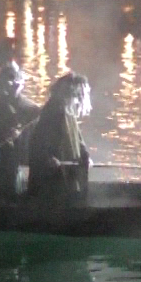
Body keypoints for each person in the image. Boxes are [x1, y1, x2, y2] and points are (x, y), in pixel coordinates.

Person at [27, 72, 91, 202]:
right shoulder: (52, 112)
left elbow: (78, 141)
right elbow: (37, 143)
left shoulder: (69, 114)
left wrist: (85, 156)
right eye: (77, 96)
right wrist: (47, 158)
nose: (79, 100)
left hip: (66, 175)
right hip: (50, 182)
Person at [0, 61, 41, 200]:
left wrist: (19, 132)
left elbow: (34, 121)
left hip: (15, 153)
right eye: (9, 80)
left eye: (16, 81)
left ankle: (12, 197)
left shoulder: (29, 107)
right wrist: (2, 136)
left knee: (12, 175)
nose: (13, 85)